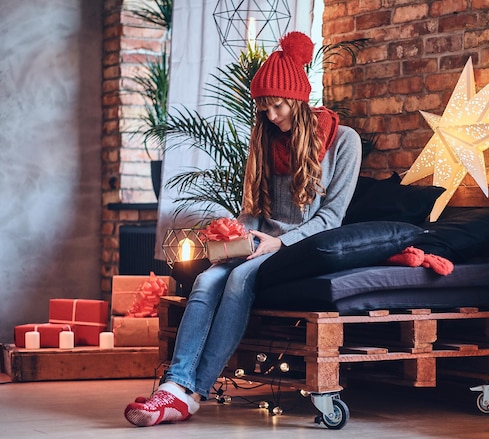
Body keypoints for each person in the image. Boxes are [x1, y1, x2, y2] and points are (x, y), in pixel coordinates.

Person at [123, 31, 362, 427]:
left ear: (298, 100)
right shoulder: (267, 139)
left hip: (297, 246)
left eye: (278, 106)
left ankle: (192, 392)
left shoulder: (344, 142)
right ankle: (173, 386)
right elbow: (254, 210)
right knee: (204, 280)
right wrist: (236, 231)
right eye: (264, 108)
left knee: (237, 282)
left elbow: (330, 219)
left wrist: (277, 242)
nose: (271, 116)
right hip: (257, 239)